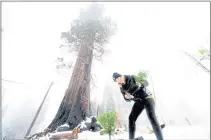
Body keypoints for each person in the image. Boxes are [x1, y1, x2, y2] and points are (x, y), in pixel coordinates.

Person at [112, 72, 164, 140]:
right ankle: (131, 139)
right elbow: (126, 99)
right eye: (116, 80)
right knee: (131, 118)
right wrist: (127, 97)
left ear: (122, 76)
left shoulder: (132, 77)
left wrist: (140, 84)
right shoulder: (121, 88)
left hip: (147, 97)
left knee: (152, 117)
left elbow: (146, 82)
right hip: (139, 101)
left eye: (118, 78)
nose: (118, 81)